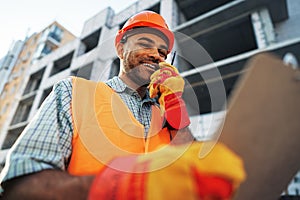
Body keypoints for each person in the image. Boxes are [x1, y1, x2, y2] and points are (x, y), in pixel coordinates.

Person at [0, 11, 245, 199]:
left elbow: (196, 173)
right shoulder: (74, 92)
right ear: (120, 47)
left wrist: (173, 103)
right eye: (145, 43)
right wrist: (126, 189)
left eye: (163, 52)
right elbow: (21, 186)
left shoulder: (169, 115)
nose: (156, 55)